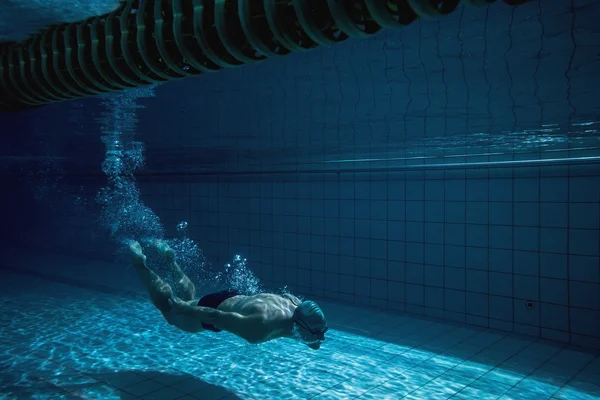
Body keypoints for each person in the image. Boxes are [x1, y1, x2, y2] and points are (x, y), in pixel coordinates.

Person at [127, 240, 328, 349]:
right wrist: (184, 308)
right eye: (318, 333)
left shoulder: (295, 304)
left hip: (237, 299)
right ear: (300, 324)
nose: (322, 338)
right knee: (171, 311)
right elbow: (217, 317)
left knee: (190, 297)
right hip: (217, 309)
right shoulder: (261, 327)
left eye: (322, 331)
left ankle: (171, 261)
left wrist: (314, 337)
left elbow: (306, 333)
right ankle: (140, 263)